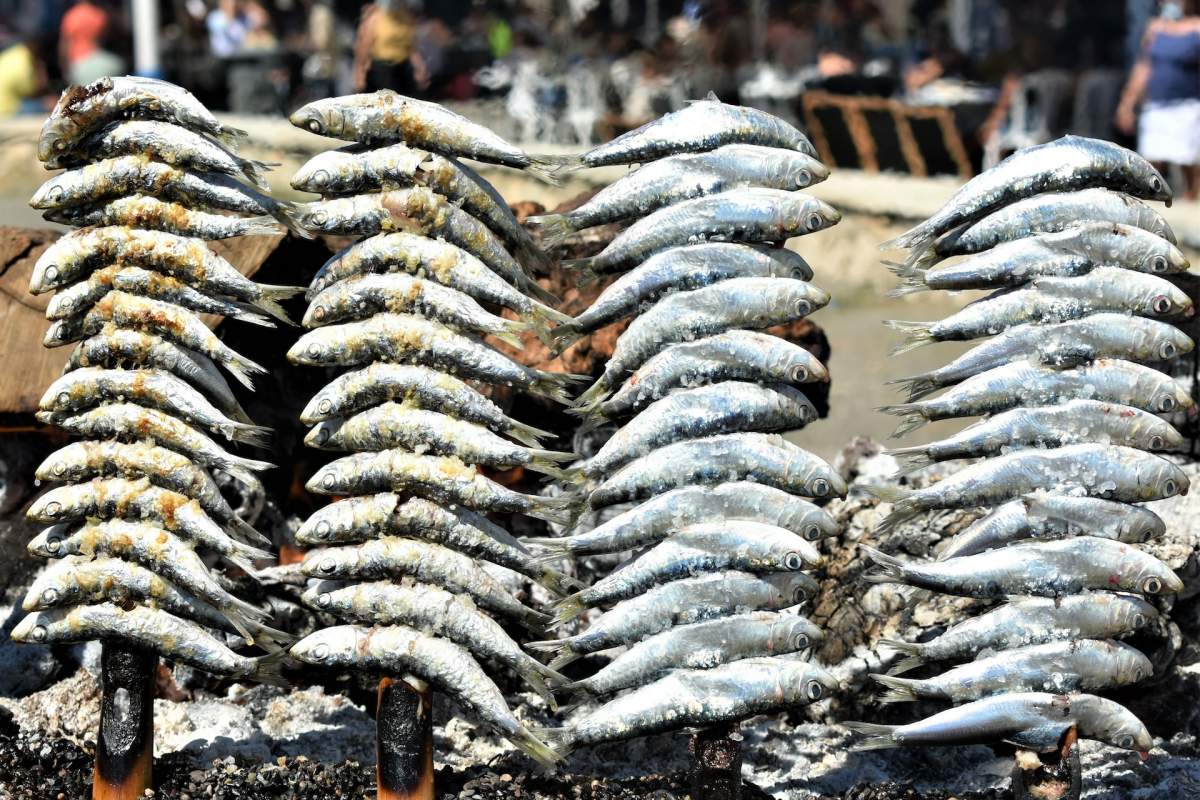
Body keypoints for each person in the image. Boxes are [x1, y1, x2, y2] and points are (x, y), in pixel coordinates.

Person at [1116, 0, 1200, 199]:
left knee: (1188, 162)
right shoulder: (1155, 28)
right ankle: (1152, 207)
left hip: (1187, 106)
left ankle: (1192, 204)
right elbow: (1143, 67)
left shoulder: (1197, 26)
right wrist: (1127, 103)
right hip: (1157, 106)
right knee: (1151, 164)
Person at [352, 0, 427, 95]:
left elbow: (412, 47)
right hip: (382, 69)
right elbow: (364, 46)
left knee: (409, 100)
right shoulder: (375, 17)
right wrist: (360, 73)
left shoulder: (405, 17)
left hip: (402, 66)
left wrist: (420, 68)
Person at [59, 0, 108, 78]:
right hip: (95, 58)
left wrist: (63, 66)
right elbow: (102, 39)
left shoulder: (71, 16)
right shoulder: (99, 15)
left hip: (76, 61)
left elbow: (65, 43)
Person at [0, 37, 47, 116]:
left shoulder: (16, 52)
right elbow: (34, 91)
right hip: (6, 110)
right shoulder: (24, 64)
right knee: (48, 105)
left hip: (7, 102)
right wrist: (41, 72)